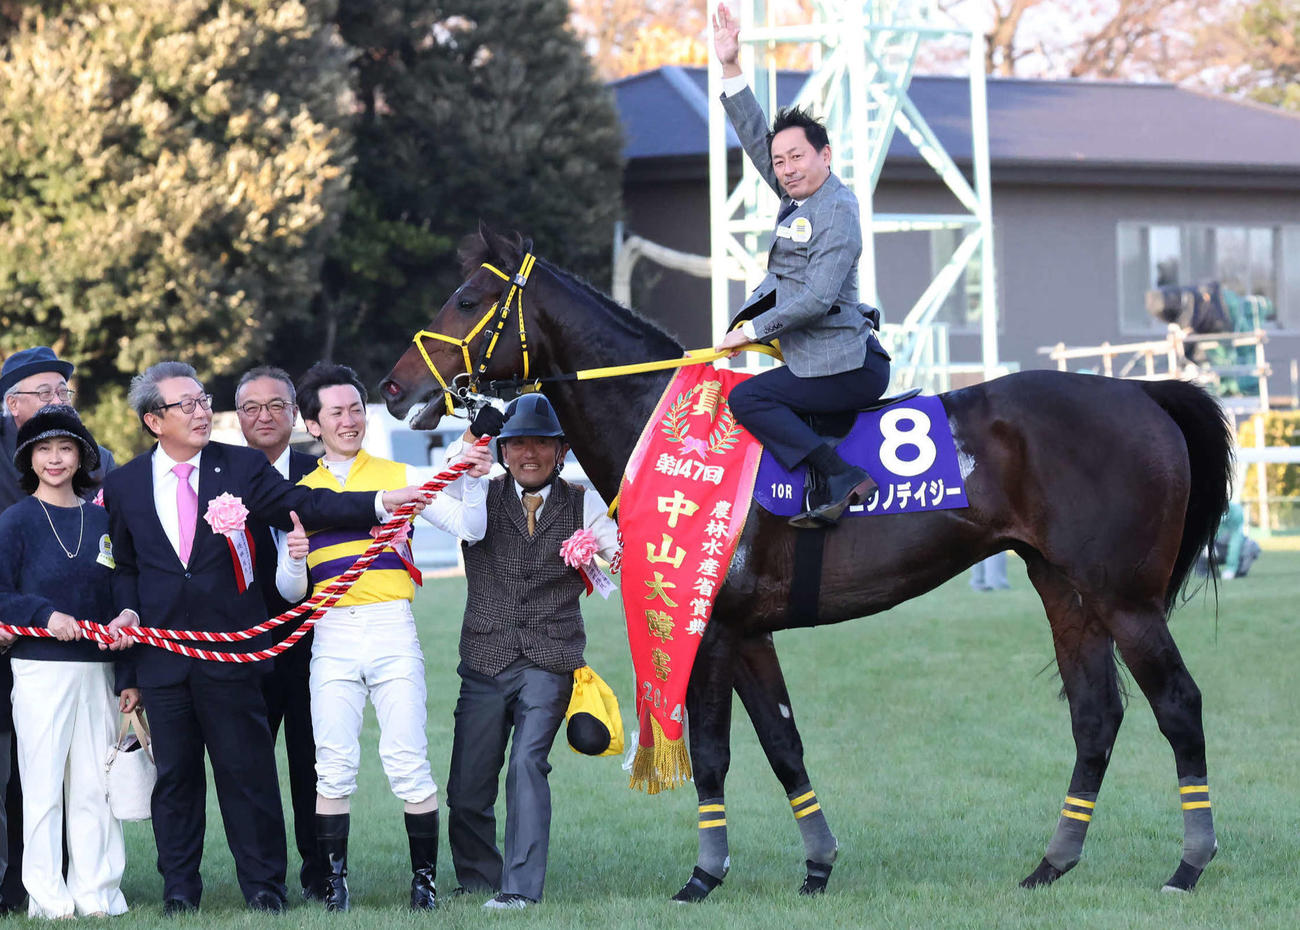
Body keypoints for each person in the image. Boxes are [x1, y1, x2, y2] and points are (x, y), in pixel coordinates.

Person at [101, 361, 429, 916]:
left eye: (204, 400)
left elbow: (306, 505)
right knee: (176, 780)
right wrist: (129, 612)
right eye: (187, 405)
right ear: (155, 420)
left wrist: (377, 503)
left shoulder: (243, 466)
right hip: (164, 660)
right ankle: (180, 890)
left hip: (232, 652)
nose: (202, 411)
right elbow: (125, 567)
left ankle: (264, 889)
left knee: (246, 774)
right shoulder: (124, 483)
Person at [274, 362, 493, 912]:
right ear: (313, 424)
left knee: (406, 758)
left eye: (355, 409)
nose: (349, 420)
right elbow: (287, 589)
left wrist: (471, 476)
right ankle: (336, 886)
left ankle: (425, 882)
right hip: (331, 633)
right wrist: (297, 562)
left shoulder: (397, 475)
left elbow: (470, 528)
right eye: (335, 413)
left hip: (393, 627)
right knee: (334, 762)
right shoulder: (300, 491)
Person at [711, 4, 893, 529]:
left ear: (825, 156)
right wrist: (730, 65)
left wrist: (750, 331)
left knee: (748, 399)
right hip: (814, 360)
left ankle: (840, 477)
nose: (787, 169)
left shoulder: (837, 209)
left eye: (798, 158)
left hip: (849, 367)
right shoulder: (798, 197)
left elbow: (815, 299)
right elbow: (754, 136)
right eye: (782, 160)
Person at [444, 394, 619, 911]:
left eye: (542, 442)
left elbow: (617, 554)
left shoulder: (585, 502)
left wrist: (630, 558)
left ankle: (519, 890)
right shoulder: (475, 494)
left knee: (526, 763)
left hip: (550, 659)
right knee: (468, 784)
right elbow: (449, 472)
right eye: (518, 442)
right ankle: (479, 880)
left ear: (561, 449)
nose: (529, 452)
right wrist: (472, 434)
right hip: (483, 657)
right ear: (502, 449)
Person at [0, 406, 138, 918]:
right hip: (40, 668)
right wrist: (43, 614)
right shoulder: (15, 522)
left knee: (94, 787)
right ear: (29, 459)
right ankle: (48, 898)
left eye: (65, 449)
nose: (55, 459)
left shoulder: (101, 519)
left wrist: (127, 617)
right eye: (43, 450)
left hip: (98, 669)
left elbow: (122, 586)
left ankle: (97, 892)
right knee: (41, 785)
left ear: (81, 456)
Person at [234, 366, 327, 901]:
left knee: (314, 765)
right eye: (252, 407)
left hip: (316, 642)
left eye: (276, 405)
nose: (265, 416)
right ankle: (263, 883)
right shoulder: (217, 478)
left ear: (296, 414)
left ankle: (319, 876)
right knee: (252, 769)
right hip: (246, 647)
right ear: (237, 416)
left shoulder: (321, 475)